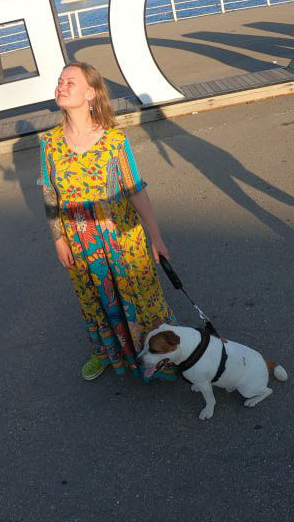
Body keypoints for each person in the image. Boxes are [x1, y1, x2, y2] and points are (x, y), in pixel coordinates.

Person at [38, 61, 178, 383]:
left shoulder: (115, 140)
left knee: (142, 295)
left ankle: (165, 354)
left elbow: (135, 190)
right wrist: (58, 239)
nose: (61, 86)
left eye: (70, 82)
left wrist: (156, 238)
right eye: (59, 81)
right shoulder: (49, 144)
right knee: (96, 300)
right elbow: (49, 195)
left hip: (123, 237)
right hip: (80, 242)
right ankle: (108, 352)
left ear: (90, 93)